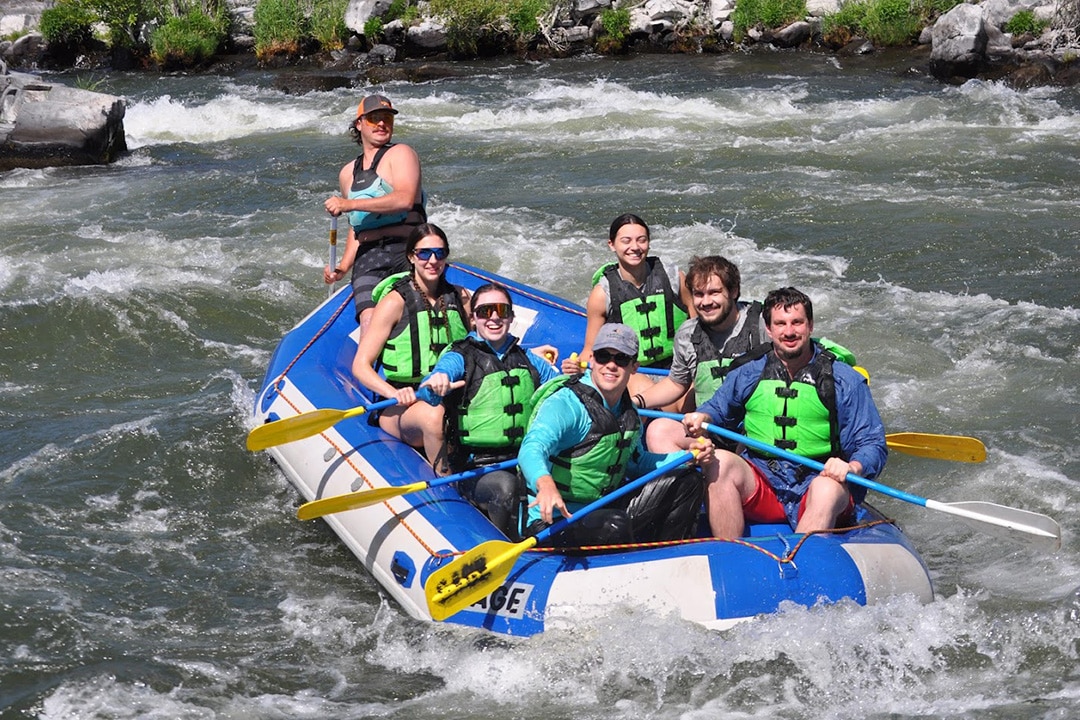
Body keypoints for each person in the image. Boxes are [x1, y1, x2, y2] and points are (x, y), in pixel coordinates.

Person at [682, 287, 887, 540]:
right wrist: (703, 417)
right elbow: (717, 408)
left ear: (810, 325)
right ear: (769, 330)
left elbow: (873, 443)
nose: (789, 332)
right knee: (720, 462)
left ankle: (801, 565)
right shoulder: (749, 371)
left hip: (818, 480)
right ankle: (734, 555)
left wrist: (852, 467)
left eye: (797, 323)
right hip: (763, 482)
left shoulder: (843, 380)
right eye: (780, 324)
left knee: (826, 488)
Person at [523, 323, 714, 546]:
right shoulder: (565, 404)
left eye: (621, 359)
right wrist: (544, 483)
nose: (611, 366)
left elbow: (637, 462)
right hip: (555, 520)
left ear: (634, 367)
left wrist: (687, 457)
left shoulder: (628, 412)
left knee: (688, 480)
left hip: (603, 508)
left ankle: (664, 553)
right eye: (604, 356)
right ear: (592, 360)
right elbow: (532, 447)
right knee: (614, 525)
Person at [417, 283, 561, 538]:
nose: (494, 317)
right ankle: (502, 545)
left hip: (526, 460)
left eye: (501, 310)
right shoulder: (460, 356)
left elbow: (568, 392)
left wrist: (579, 375)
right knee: (505, 487)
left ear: (511, 317)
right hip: (476, 468)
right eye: (484, 312)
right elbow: (429, 389)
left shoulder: (531, 360)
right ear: (473, 319)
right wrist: (436, 383)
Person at [351, 223, 470, 467]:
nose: (432, 260)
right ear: (411, 257)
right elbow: (361, 366)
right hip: (403, 406)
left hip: (452, 395)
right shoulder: (394, 302)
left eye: (440, 253)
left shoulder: (461, 297)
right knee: (434, 414)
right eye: (424, 253)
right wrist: (393, 393)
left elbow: (480, 346)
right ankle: (444, 482)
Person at [635, 255, 769, 453]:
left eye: (714, 292)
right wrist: (636, 402)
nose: (706, 302)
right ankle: (685, 480)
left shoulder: (763, 325)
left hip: (754, 431)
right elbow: (676, 383)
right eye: (699, 294)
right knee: (658, 430)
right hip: (707, 429)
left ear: (733, 292)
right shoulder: (687, 333)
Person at [561, 214, 693, 404]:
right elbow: (590, 349)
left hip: (677, 367)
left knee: (689, 400)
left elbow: (699, 328)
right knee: (648, 393)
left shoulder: (675, 279)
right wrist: (576, 367)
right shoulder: (601, 295)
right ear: (612, 245)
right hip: (632, 371)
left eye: (642, 240)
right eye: (626, 241)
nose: (635, 247)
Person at [324, 94, 427, 330]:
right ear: (359, 124)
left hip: (407, 249)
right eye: (374, 118)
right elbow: (356, 226)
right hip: (369, 255)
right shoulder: (348, 172)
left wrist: (349, 204)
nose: (382, 124)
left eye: (387, 119)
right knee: (369, 320)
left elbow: (404, 199)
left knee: (417, 312)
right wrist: (342, 268)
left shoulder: (401, 154)